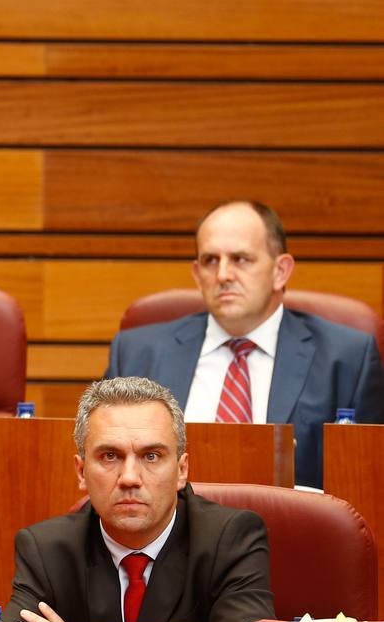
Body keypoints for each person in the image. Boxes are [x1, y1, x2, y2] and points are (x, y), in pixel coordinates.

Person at [5, 377, 275, 622]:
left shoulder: (231, 541)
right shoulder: (46, 550)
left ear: (181, 471)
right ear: (81, 472)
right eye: (110, 456)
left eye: (151, 456)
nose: (130, 477)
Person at [105, 199, 383, 488]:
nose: (223, 275)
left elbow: (366, 487)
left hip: (289, 530)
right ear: (197, 275)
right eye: (210, 260)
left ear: (281, 271)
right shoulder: (137, 354)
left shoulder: (347, 359)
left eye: (240, 259)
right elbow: (105, 463)